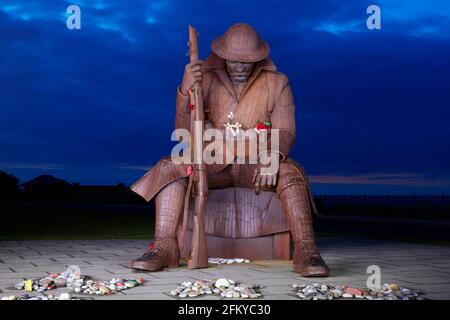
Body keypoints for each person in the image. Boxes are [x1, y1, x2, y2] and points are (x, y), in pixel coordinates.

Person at [129, 23, 329, 277]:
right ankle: (164, 247)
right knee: (171, 165)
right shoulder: (206, 79)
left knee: (290, 171)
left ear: (260, 58)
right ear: (223, 55)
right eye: (234, 61)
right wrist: (185, 88)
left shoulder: (278, 82)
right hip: (214, 166)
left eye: (247, 62)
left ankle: (307, 252)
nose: (240, 67)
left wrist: (273, 157)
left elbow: (286, 130)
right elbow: (184, 132)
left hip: (257, 167)